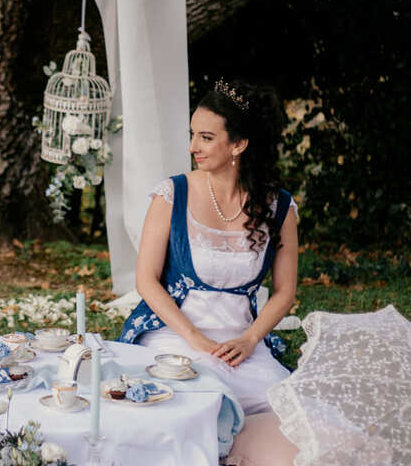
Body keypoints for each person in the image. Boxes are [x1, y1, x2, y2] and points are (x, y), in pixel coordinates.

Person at [117, 79, 298, 415]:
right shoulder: (171, 195)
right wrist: (194, 338)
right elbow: (146, 280)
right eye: (192, 134)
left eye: (206, 137)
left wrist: (249, 340)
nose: (192, 146)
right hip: (175, 335)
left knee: (285, 408)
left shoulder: (279, 207)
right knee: (193, 403)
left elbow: (284, 291)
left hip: (240, 342)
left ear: (239, 144)